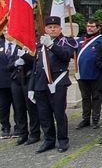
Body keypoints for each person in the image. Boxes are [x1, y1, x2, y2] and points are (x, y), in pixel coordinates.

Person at [29, 16, 78, 153]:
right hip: (40, 84)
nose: (52, 29)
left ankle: (62, 140)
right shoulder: (40, 45)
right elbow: (36, 67)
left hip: (58, 83)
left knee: (59, 113)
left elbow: (65, 55)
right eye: (49, 27)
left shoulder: (66, 41)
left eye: (55, 27)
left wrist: (51, 45)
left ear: (60, 29)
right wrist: (31, 88)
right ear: (45, 29)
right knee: (44, 114)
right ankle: (48, 140)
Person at [76, 19, 102, 130]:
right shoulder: (80, 40)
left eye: (92, 26)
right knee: (85, 98)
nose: (90, 28)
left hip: (95, 73)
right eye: (88, 26)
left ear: (98, 28)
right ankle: (85, 119)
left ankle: (95, 119)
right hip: (82, 74)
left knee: (96, 97)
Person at [0, 27, 21, 139]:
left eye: (9, 30)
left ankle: (19, 127)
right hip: (1, 80)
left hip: (16, 79)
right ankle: (5, 128)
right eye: (4, 31)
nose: (7, 33)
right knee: (3, 106)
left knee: (18, 105)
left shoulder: (19, 44)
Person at [8, 43, 40, 145]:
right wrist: (15, 63)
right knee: (19, 108)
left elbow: (36, 62)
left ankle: (34, 134)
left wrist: (24, 56)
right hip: (16, 81)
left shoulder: (34, 47)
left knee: (31, 108)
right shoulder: (17, 48)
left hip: (28, 79)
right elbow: (8, 66)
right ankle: (23, 134)